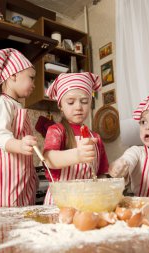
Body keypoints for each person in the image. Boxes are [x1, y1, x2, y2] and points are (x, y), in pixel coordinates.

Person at [42, 72, 109, 205]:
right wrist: (77, 155)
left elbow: (101, 173)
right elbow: (48, 159)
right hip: (60, 202)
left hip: (87, 201)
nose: (78, 107)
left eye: (84, 101)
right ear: (60, 105)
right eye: (71, 102)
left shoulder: (95, 137)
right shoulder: (57, 131)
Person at [0, 48, 38, 207]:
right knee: (11, 220)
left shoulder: (16, 105)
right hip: (10, 175)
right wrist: (20, 145)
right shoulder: (2, 104)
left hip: (24, 173)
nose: (34, 84)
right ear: (13, 75)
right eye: (31, 78)